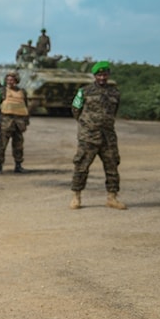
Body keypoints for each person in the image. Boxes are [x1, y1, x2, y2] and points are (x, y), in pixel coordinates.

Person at [70, 61, 126, 210]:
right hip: (88, 136)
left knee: (112, 166)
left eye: (104, 74)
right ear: (94, 75)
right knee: (81, 166)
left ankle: (112, 198)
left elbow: (113, 112)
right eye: (99, 74)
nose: (102, 77)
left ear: (108, 75)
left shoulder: (115, 92)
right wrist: (87, 124)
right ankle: (76, 197)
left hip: (108, 136)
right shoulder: (84, 91)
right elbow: (76, 109)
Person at [0, 71, 30, 173]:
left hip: (19, 122)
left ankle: (18, 165)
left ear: (16, 81)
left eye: (12, 80)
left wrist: (26, 122)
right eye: (8, 79)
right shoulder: (2, 91)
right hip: (5, 121)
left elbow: (25, 106)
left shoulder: (22, 92)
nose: (10, 82)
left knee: (18, 145)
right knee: (1, 145)